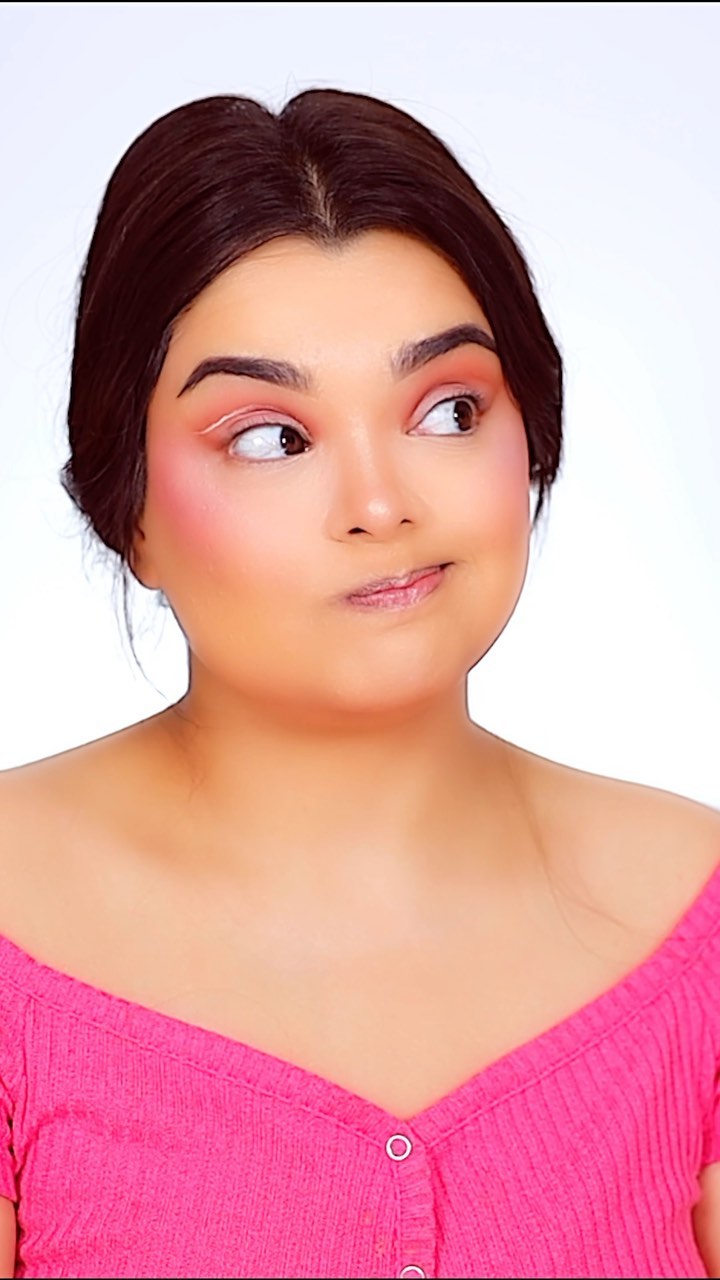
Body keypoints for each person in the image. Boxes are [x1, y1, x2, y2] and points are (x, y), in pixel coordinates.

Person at [0, 88, 718, 1280]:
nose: (382, 504)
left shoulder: (694, 912)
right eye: (271, 437)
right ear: (129, 510)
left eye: (449, 408)